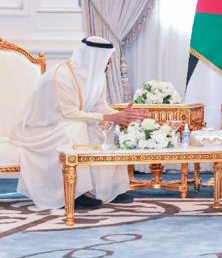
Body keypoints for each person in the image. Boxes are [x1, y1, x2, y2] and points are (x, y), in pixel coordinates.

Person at [13, 36, 149, 210]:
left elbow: (100, 106)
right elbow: (68, 114)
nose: (110, 63)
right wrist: (109, 117)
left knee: (108, 127)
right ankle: (76, 192)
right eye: (107, 59)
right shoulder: (61, 75)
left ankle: (109, 190)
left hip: (69, 121)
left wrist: (122, 116)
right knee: (77, 129)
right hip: (44, 128)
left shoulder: (97, 75)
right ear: (93, 57)